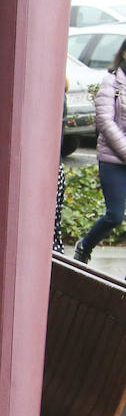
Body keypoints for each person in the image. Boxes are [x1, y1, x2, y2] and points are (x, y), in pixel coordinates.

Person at [74, 38, 126, 264]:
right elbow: (105, 121)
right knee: (115, 216)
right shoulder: (111, 83)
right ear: (124, 53)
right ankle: (85, 246)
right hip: (113, 160)